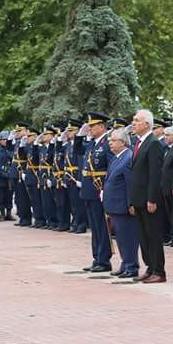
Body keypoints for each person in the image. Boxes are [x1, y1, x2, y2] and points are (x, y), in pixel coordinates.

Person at [128, 109, 166, 283]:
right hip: (139, 198)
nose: (133, 123)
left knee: (153, 235)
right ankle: (150, 267)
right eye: (133, 120)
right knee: (143, 236)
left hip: (149, 199)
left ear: (147, 124)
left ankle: (159, 271)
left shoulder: (153, 143)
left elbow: (155, 174)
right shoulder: (138, 142)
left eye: (137, 120)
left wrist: (152, 198)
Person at [74, 113, 113, 273]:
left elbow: (111, 167)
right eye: (89, 126)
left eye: (93, 126)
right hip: (89, 190)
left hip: (99, 190)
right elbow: (78, 150)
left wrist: (106, 189)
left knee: (102, 226)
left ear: (102, 127)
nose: (90, 129)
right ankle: (97, 257)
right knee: (94, 227)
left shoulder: (107, 144)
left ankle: (104, 260)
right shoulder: (92, 143)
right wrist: (79, 135)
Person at [104, 129, 139, 279]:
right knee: (121, 238)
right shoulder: (117, 157)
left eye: (113, 140)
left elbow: (130, 183)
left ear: (123, 142)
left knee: (128, 238)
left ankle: (132, 267)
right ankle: (125, 264)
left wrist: (131, 203)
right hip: (115, 206)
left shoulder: (128, 157)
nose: (110, 143)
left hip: (124, 206)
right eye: (110, 140)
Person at [62, 120, 87, 234]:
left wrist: (80, 179)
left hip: (76, 176)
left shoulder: (80, 145)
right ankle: (76, 222)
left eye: (71, 131)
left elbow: (81, 162)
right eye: (68, 131)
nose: (68, 133)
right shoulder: (68, 145)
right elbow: (64, 163)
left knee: (79, 203)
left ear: (77, 131)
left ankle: (81, 225)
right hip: (69, 176)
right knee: (73, 203)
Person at [11, 124, 32, 227]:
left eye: (20, 130)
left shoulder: (26, 141)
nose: (17, 133)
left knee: (24, 197)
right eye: (17, 131)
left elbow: (25, 155)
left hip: (22, 170)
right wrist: (11, 139)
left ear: (26, 131)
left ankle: (26, 218)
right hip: (15, 171)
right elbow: (9, 149)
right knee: (18, 197)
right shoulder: (18, 141)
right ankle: (21, 217)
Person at [0, 130, 15, 221]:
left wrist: (10, 173)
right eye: (3, 139)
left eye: (6, 139)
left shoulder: (11, 151)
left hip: (10, 178)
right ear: (0, 140)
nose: (5, 141)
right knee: (1, 197)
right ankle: (2, 214)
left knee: (9, 196)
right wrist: (3, 173)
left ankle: (9, 213)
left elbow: (13, 163)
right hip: (1, 179)